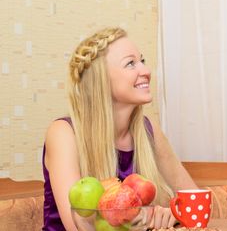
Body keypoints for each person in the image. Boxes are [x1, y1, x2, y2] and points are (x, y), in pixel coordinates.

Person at [42, 27, 198, 230]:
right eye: (130, 64)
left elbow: (195, 201)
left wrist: (173, 214)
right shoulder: (63, 133)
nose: (145, 71)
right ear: (102, 81)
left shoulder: (148, 131)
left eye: (142, 61)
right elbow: (77, 226)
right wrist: (147, 216)